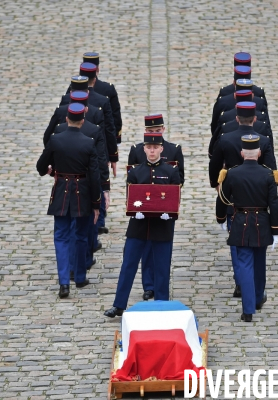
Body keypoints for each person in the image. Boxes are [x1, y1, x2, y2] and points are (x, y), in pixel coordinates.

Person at [103, 130, 181, 318]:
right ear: (144, 149)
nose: (152, 151)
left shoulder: (170, 172)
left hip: (162, 226)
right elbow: (131, 198)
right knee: (128, 264)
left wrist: (169, 215)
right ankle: (119, 304)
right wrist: (134, 210)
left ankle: (161, 303)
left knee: (162, 266)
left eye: (155, 147)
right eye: (149, 147)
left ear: (161, 149)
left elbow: (175, 199)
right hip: (139, 225)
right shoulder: (136, 172)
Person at [36, 103, 100, 298]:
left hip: (62, 191)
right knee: (81, 236)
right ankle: (79, 276)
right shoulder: (89, 143)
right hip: (83, 192)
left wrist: (49, 171)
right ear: (82, 121)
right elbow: (95, 175)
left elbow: (41, 166)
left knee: (61, 237)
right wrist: (97, 203)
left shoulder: (55, 140)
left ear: (66, 119)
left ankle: (64, 282)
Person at [218, 134, 278, 322]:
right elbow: (274, 204)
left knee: (244, 264)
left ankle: (247, 310)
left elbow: (222, 199)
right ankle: (257, 298)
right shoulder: (268, 174)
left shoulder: (232, 173)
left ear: (242, 153)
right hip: (262, 221)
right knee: (259, 262)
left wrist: (221, 218)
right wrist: (276, 229)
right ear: (260, 153)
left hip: (240, 221)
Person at [127, 114, 184, 300]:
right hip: (143, 208)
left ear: (163, 130)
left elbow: (179, 179)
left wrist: (166, 201)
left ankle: (160, 290)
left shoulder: (173, 150)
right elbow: (133, 180)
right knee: (144, 248)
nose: (154, 134)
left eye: (157, 131)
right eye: (150, 132)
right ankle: (148, 285)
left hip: (164, 207)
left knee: (160, 248)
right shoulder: (137, 149)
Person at [82, 52, 123, 144]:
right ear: (97, 69)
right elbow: (115, 117)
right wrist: (116, 142)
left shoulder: (72, 89)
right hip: (101, 141)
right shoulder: (108, 89)